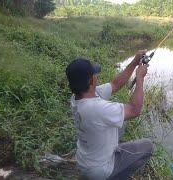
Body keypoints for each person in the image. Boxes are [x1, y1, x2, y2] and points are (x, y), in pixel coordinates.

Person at [65, 50, 154, 180]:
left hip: (85, 161)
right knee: (148, 146)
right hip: (100, 170)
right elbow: (135, 110)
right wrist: (139, 79)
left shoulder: (77, 97)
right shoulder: (97, 108)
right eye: (95, 74)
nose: (97, 76)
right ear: (91, 80)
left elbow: (115, 84)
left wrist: (134, 63)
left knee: (122, 122)